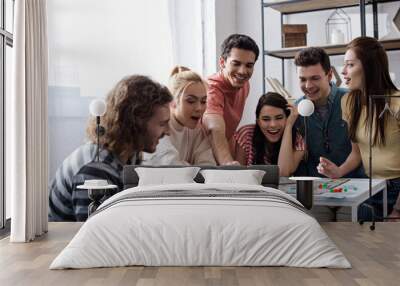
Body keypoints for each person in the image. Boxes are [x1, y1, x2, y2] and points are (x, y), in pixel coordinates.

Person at [49, 75, 173, 221]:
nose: (168, 131)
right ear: (137, 122)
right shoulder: (95, 170)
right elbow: (96, 235)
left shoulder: (128, 155)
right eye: (162, 124)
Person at [318, 36, 400, 220]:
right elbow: (357, 154)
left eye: (350, 64)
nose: (343, 71)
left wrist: (398, 210)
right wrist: (338, 171)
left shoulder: (396, 103)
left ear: (370, 68)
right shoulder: (348, 102)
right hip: (372, 185)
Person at [293, 47, 364, 177]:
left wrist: (339, 172)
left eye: (315, 78)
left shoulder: (352, 100)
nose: (308, 85)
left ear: (329, 75)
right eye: (302, 79)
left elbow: (360, 152)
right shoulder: (296, 110)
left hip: (356, 184)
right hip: (316, 188)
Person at [202, 34, 259, 165]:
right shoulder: (211, 87)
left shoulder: (244, 85)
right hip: (200, 155)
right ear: (222, 62)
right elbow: (214, 128)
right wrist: (228, 164)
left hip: (217, 152)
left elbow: (228, 130)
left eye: (249, 65)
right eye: (236, 64)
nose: (243, 71)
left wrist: (234, 161)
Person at [143, 66, 216, 165]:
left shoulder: (198, 130)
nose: (199, 108)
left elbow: (208, 166)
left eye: (203, 101)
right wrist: (191, 167)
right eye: (191, 101)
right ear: (173, 102)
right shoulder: (159, 126)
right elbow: (172, 166)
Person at [234, 92, 305, 176]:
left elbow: (282, 173)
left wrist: (288, 126)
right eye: (266, 119)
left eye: (279, 118)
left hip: (282, 188)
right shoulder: (246, 134)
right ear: (258, 121)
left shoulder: (298, 140)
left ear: (287, 118)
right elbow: (239, 175)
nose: (273, 124)